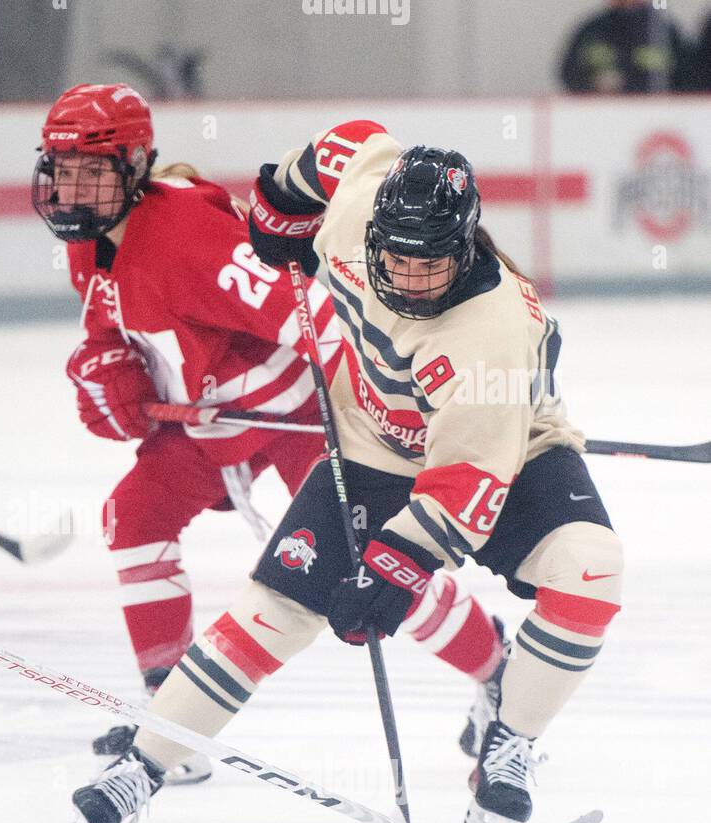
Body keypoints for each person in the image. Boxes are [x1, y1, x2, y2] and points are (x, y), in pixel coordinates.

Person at [67, 119, 623, 823]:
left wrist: (393, 570)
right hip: (372, 446)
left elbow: (462, 485)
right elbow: (351, 143)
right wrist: (279, 203)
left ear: (465, 248)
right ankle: (144, 765)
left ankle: (510, 744)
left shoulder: (490, 334)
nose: (410, 281)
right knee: (274, 610)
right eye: (396, 260)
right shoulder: (361, 210)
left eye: (432, 266)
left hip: (512, 453)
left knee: (591, 569)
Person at [33, 85, 508, 785]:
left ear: (134, 166)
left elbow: (312, 310)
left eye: (92, 172)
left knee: (368, 556)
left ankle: (498, 667)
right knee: (135, 515)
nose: (73, 191)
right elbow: (112, 323)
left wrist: (398, 395)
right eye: (62, 170)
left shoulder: (182, 234)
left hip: (291, 413)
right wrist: (109, 366)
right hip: (211, 423)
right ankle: (171, 716)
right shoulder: (92, 243)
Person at [560, 0, 690, 94]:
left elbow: (688, 76)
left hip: (654, 115)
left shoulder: (661, 31)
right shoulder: (592, 30)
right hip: (601, 115)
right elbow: (568, 71)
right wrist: (593, 83)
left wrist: (630, 84)